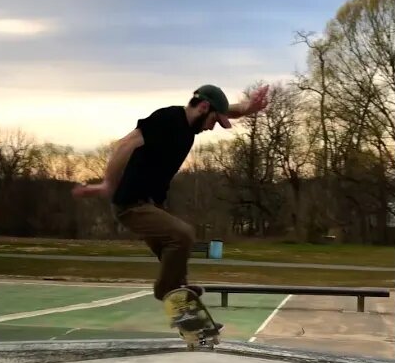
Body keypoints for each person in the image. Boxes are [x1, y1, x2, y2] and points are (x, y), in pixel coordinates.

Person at [72, 83, 271, 326]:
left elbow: (229, 110)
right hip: (132, 204)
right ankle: (167, 290)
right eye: (213, 121)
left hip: (151, 205)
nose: (211, 128)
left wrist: (248, 108)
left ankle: (187, 317)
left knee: (174, 257)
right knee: (183, 235)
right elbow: (124, 144)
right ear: (203, 108)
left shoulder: (194, 121)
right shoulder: (167, 119)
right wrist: (107, 184)